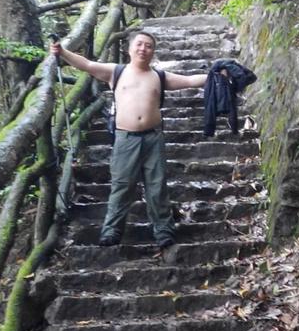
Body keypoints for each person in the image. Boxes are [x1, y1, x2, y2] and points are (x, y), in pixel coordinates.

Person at [50, 30, 206, 248]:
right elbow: (86, 64)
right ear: (129, 48)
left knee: (157, 185)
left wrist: (216, 75)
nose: (143, 49)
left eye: (149, 46)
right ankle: (112, 231)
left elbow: (190, 80)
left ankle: (163, 231)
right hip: (125, 138)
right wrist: (63, 52)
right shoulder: (116, 72)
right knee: (122, 185)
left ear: (153, 52)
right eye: (139, 44)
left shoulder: (159, 77)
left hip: (153, 137)